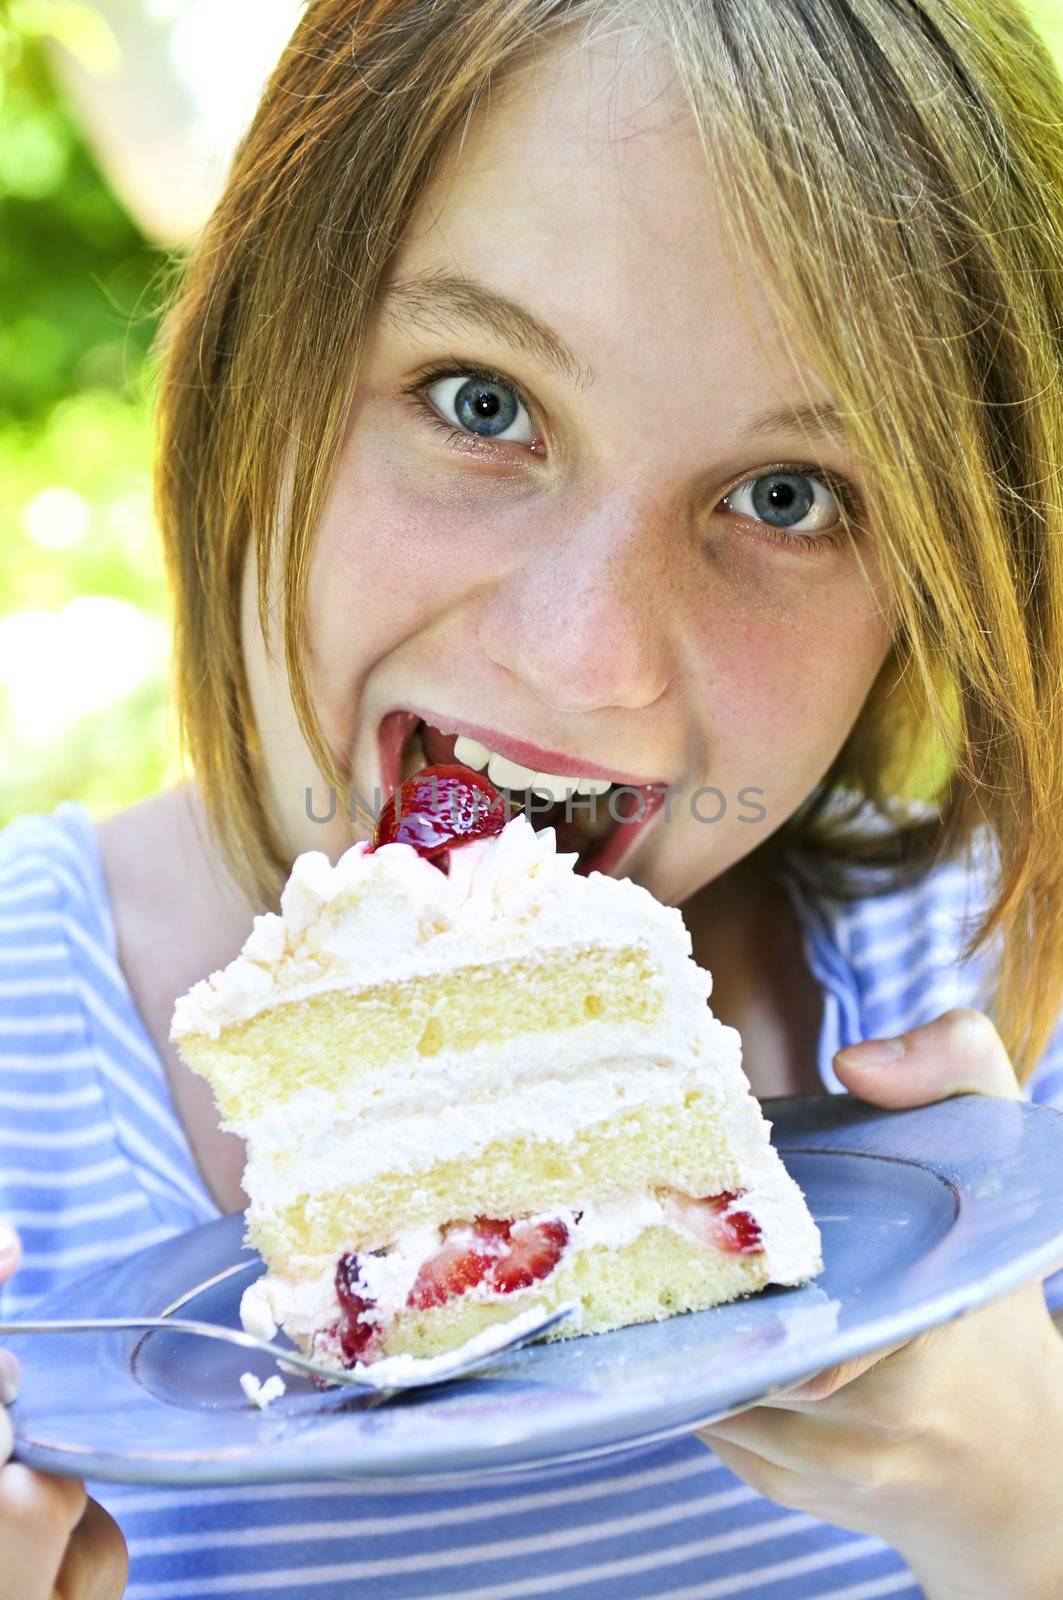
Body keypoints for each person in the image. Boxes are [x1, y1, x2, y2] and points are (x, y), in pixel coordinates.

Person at [2, 0, 1063, 1594]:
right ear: (245, 362)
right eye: (480, 402)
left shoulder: (1005, 1007)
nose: (587, 661)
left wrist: (1027, 1515)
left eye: (788, 498)